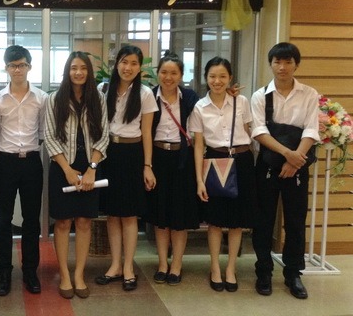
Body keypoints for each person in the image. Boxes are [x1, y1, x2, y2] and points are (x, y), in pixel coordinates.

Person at [251, 42, 319, 299]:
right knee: (263, 220)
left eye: (288, 62)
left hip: (297, 166)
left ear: (296, 65)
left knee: (295, 221)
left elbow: (311, 129)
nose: (282, 67)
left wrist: (295, 159)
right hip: (268, 165)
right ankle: (263, 271)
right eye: (277, 62)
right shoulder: (261, 96)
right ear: (271, 64)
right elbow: (259, 131)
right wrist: (287, 154)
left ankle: (293, 273)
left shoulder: (309, 94)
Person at [44, 51, 109, 299]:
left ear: (89, 71)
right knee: (62, 222)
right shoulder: (55, 99)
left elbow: (104, 135)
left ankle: (79, 274)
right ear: (67, 71)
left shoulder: (98, 98)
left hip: (91, 165)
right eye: (74, 68)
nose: (78, 72)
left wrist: (92, 168)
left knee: (84, 222)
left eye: (83, 68)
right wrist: (67, 170)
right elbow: (49, 136)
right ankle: (64, 274)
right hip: (63, 166)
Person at [190, 56, 255, 293]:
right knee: (215, 221)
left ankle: (231, 269)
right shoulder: (200, 107)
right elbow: (198, 145)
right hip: (215, 162)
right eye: (212, 76)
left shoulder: (242, 101)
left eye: (222, 76)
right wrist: (199, 180)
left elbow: (251, 131)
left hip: (242, 161)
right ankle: (215, 268)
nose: (217, 81)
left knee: (237, 222)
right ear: (205, 78)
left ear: (230, 78)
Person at [95, 45, 156, 291]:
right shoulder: (103, 89)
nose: (128, 67)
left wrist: (147, 166)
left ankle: (129, 266)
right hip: (108, 153)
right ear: (116, 63)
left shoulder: (145, 93)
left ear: (140, 67)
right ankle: (115, 265)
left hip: (133, 154)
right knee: (112, 214)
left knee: (129, 214)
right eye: (124, 62)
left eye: (133, 63)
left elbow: (147, 133)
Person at [0, 45, 48, 296]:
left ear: (29, 66)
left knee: (31, 219)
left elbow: (43, 132)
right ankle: (4, 271)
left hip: (32, 162)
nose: (17, 70)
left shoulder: (41, 98)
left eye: (22, 65)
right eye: (13, 65)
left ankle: (30, 271)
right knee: (3, 218)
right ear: (6, 68)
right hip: (5, 162)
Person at [145, 51, 201, 286]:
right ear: (157, 73)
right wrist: (147, 165)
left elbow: (203, 119)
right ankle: (162, 263)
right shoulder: (149, 96)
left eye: (174, 73)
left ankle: (176, 265)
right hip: (157, 157)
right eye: (164, 72)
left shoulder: (190, 97)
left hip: (182, 160)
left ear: (181, 75)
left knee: (179, 216)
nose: (168, 77)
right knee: (161, 216)